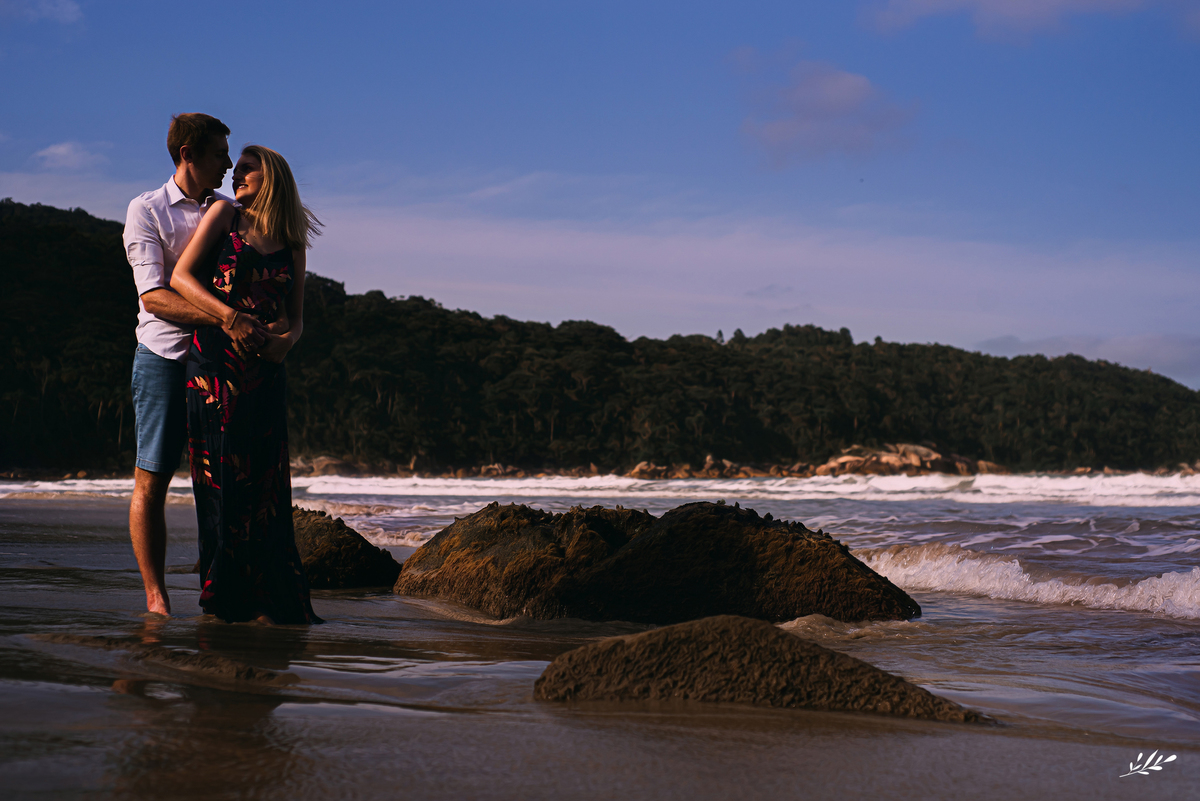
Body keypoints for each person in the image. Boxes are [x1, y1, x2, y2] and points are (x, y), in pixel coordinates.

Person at [170, 144, 323, 624]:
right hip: (214, 366)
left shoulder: (293, 241)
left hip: (265, 373)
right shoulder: (224, 215)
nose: (236, 177)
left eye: (247, 172)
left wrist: (288, 343)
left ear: (272, 178)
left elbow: (296, 320)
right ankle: (223, 599)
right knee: (221, 485)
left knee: (267, 485)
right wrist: (228, 315)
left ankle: (269, 599)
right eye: (235, 170)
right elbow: (180, 277)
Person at [124, 113, 267, 616]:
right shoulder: (146, 210)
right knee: (153, 477)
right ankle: (157, 597)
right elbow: (155, 297)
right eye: (218, 154)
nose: (228, 164)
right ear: (188, 154)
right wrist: (226, 318)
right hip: (164, 357)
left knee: (223, 480)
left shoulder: (228, 209)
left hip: (221, 362)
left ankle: (224, 586)